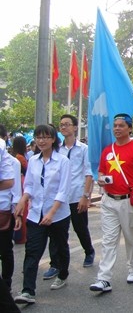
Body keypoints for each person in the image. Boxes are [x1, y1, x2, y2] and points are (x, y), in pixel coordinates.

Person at [89, 114, 133, 293]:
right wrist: (101, 180)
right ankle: (104, 278)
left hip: (129, 201)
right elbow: (101, 171)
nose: (117, 128)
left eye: (121, 126)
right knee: (108, 240)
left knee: (131, 238)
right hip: (109, 200)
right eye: (115, 125)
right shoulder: (108, 150)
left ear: (129, 128)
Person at [14, 124, 71, 304]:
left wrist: (52, 213)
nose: (41, 140)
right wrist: (23, 200)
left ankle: (62, 274)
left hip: (58, 215)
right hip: (36, 214)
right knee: (32, 251)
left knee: (60, 247)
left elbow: (63, 190)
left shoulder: (63, 161)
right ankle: (28, 291)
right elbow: (29, 184)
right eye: (38, 137)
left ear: (53, 139)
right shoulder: (33, 160)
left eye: (46, 137)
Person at [42, 115, 96, 282]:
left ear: (75, 127)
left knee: (80, 228)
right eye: (61, 125)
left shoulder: (83, 149)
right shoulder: (56, 149)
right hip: (59, 198)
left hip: (76, 196)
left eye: (67, 124)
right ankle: (55, 264)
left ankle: (89, 251)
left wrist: (85, 196)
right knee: (56, 233)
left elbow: (88, 173)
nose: (63, 127)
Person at [0, 125, 19, 294]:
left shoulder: (13, 162)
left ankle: (7, 283)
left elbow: (14, 187)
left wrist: (16, 214)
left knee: (5, 250)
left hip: (4, 211)